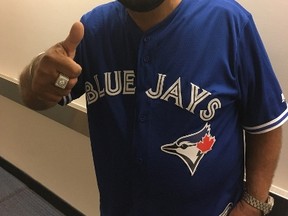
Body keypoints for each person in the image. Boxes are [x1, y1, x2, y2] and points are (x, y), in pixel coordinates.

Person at [19, 0, 288, 215]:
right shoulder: (94, 28)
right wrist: (36, 74)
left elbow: (266, 121)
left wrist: (254, 204)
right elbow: (36, 96)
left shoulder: (229, 21)